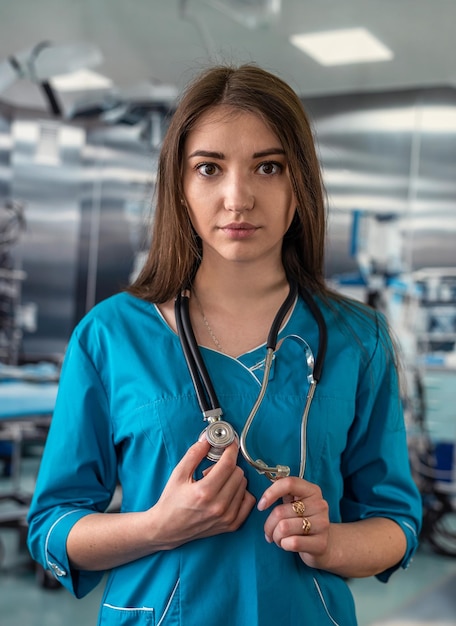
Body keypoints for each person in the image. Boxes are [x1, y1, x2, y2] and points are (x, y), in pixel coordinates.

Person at [27, 63, 422, 626]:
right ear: (181, 189)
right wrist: (159, 526)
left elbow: (396, 523)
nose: (238, 198)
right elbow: (51, 529)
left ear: (299, 185)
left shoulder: (359, 339)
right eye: (209, 168)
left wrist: (329, 543)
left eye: (268, 167)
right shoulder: (111, 335)